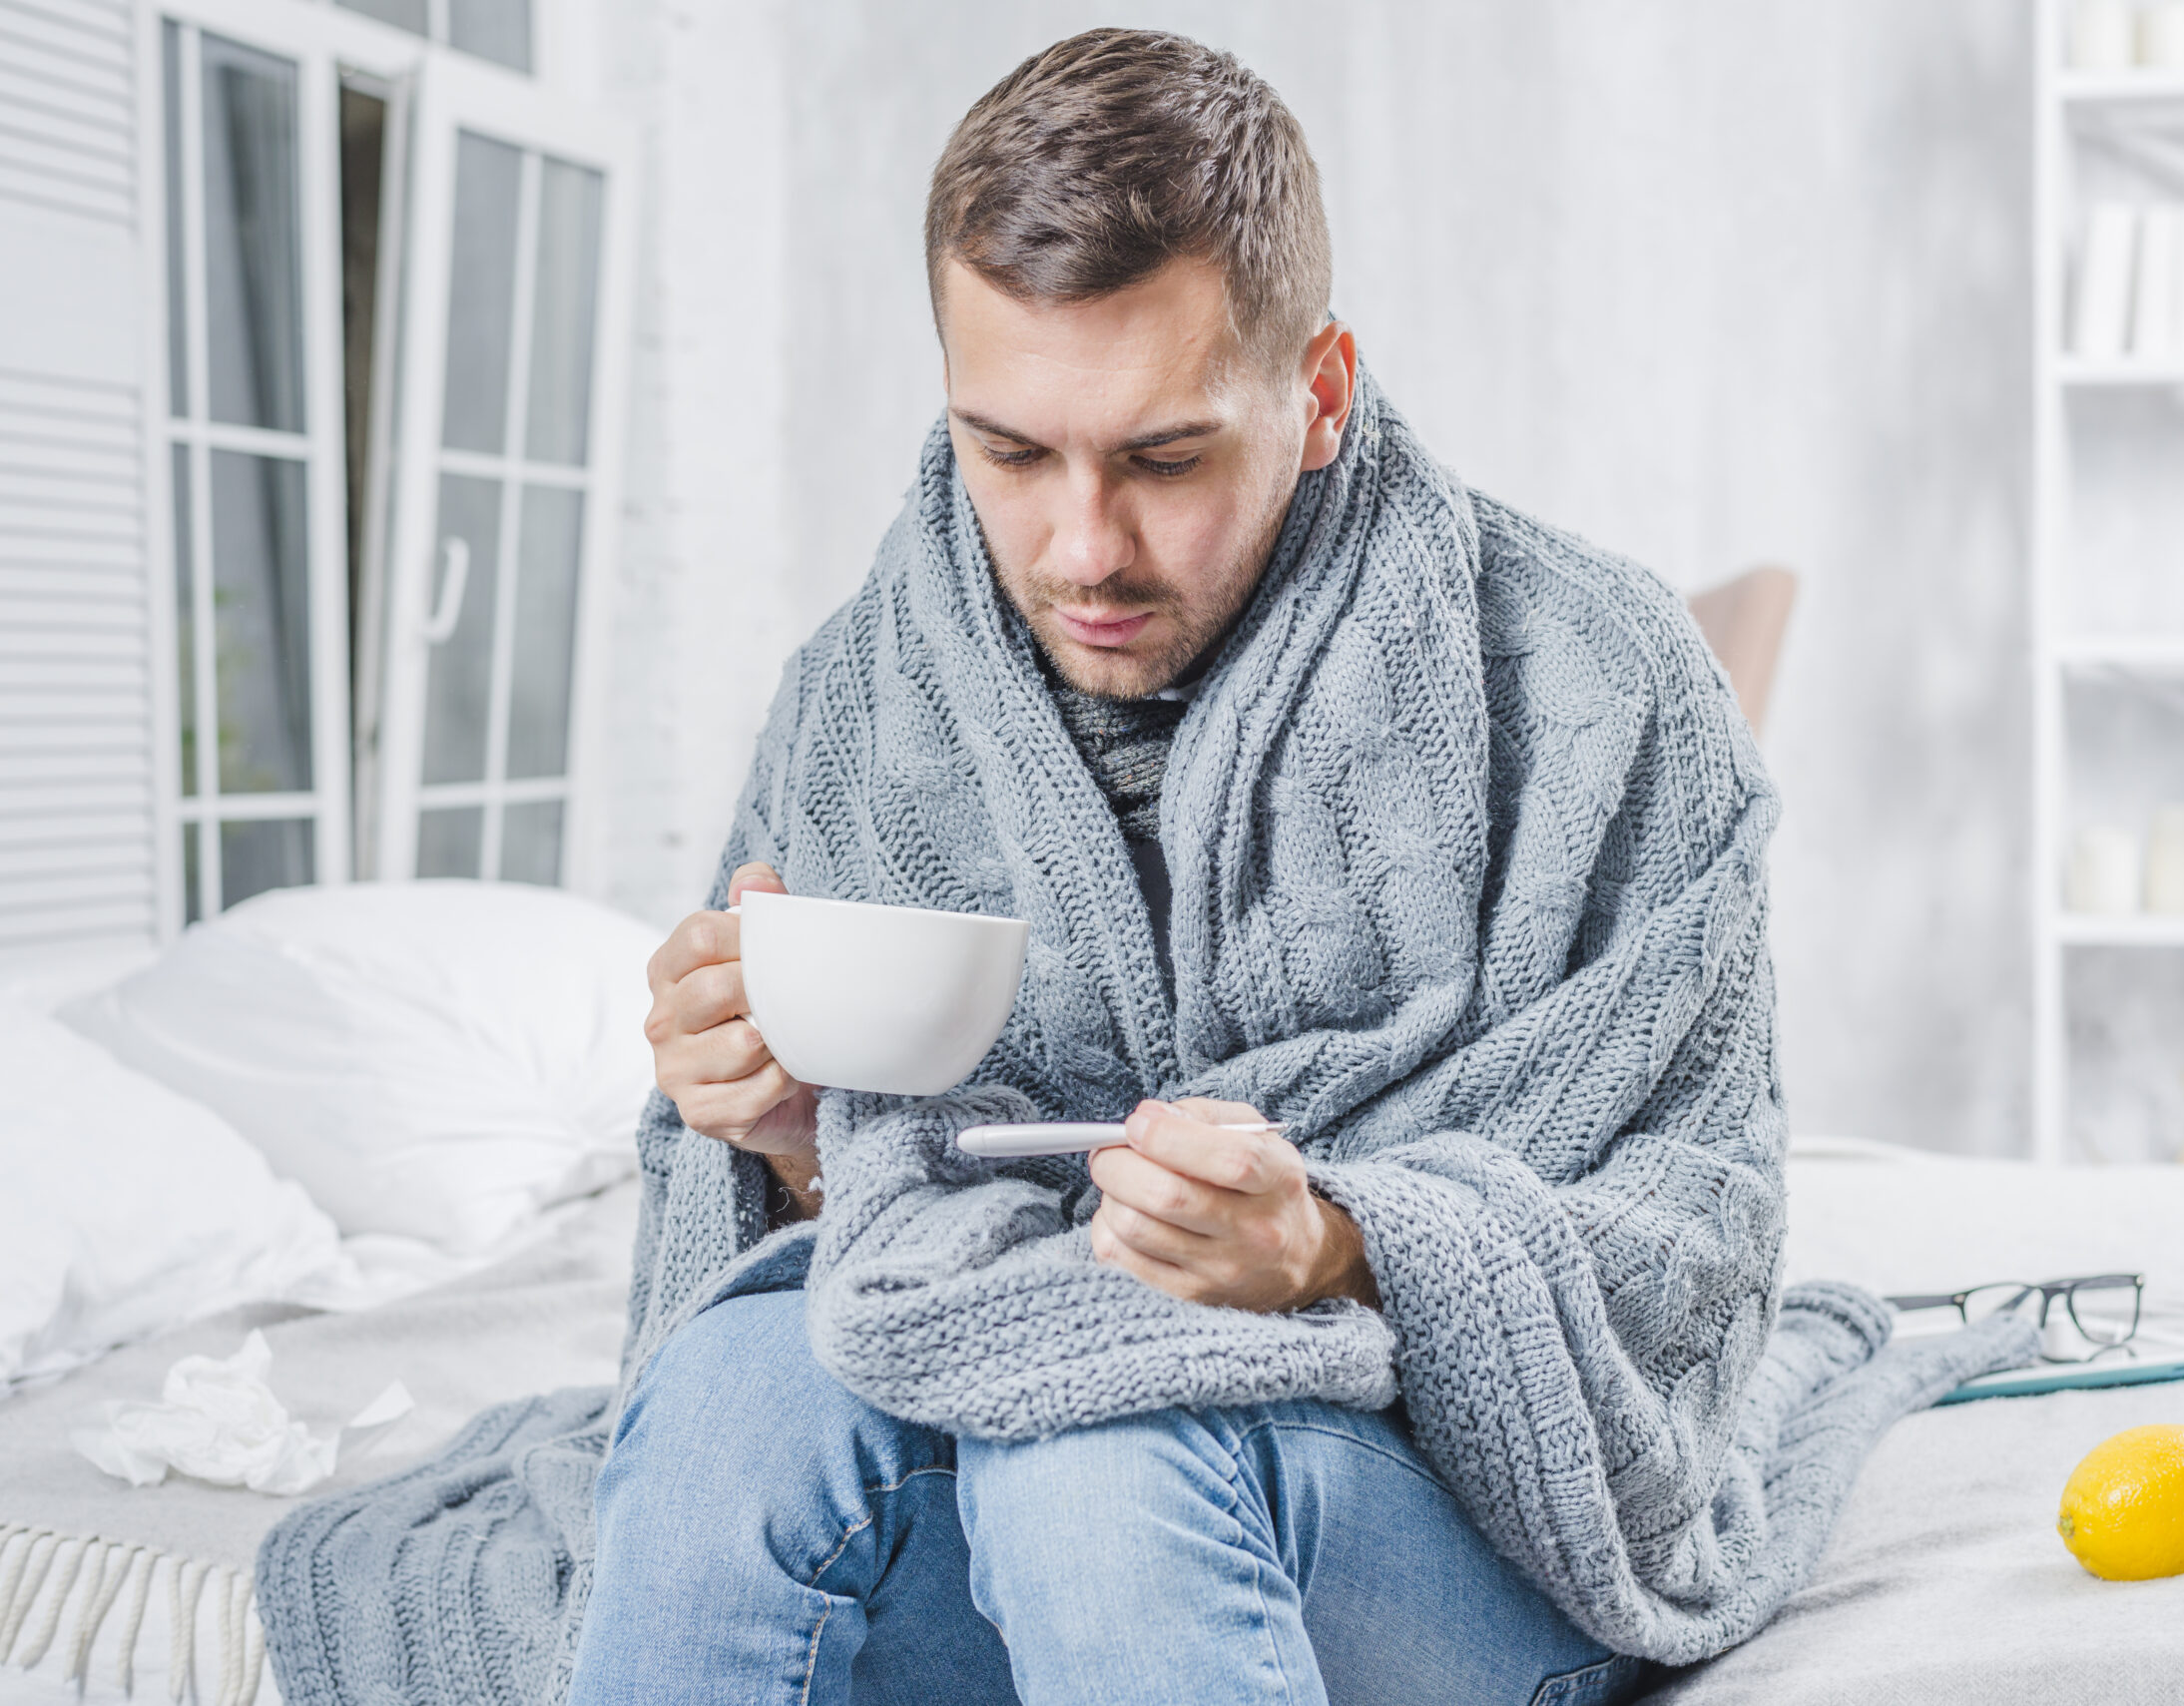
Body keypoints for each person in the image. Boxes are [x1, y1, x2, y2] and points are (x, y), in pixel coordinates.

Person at [258, 28, 2029, 1706]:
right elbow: (839, 1224)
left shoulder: (1596, 681)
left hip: (1457, 1505)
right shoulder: (865, 699)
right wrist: (785, 1135)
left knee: (1107, 1444)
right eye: (1007, 452)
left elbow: (1698, 1224)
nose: (1079, 542)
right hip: (1030, 1482)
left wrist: (1341, 1243)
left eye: (1165, 457)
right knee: (731, 1390)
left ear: (1318, 391)